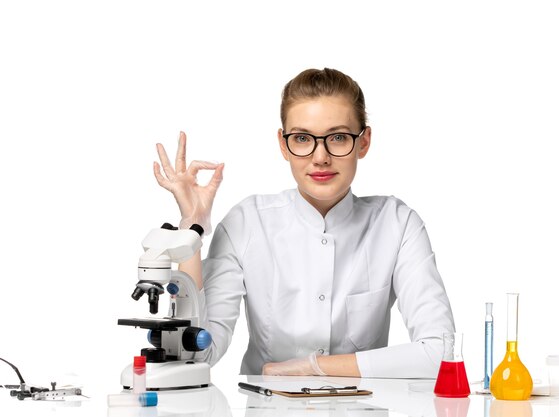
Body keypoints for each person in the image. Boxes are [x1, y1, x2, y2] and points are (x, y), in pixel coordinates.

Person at [153, 68, 455, 378]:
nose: (320, 156)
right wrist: (191, 230)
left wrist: (315, 367)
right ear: (283, 145)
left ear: (363, 142)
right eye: (302, 138)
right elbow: (199, 354)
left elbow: (440, 352)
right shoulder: (247, 223)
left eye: (338, 137)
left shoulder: (397, 224)